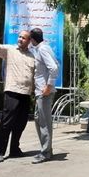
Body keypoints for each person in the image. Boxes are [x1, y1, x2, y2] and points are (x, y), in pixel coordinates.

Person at [0, 30, 35, 163]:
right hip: (12, 91)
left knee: (21, 123)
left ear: (29, 41)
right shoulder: (10, 50)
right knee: (7, 123)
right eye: (19, 37)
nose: (20, 39)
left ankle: (15, 149)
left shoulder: (32, 56)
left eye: (24, 38)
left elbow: (33, 75)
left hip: (26, 94)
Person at [28, 28, 60, 164]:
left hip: (44, 92)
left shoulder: (42, 49)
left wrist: (48, 86)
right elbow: (56, 64)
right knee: (38, 118)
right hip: (41, 92)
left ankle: (46, 152)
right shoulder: (44, 48)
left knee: (44, 122)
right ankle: (46, 149)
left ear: (33, 39)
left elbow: (54, 68)